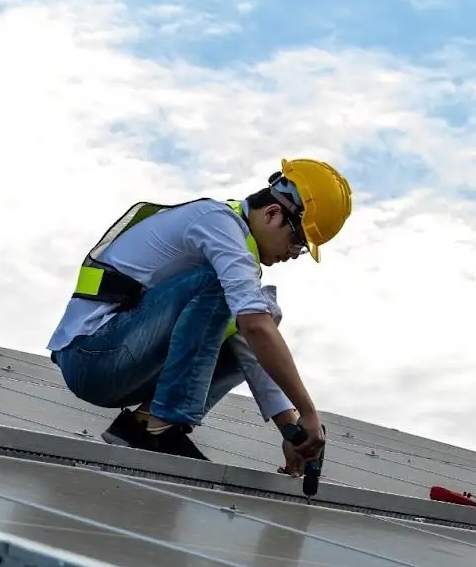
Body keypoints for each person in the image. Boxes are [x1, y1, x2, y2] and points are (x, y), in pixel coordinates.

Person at [46, 159, 351, 470]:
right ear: (273, 213)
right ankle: (162, 428)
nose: (293, 254)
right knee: (240, 302)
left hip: (119, 362)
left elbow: (252, 346)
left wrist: (294, 430)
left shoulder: (234, 245)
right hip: (91, 355)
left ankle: (145, 423)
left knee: (259, 312)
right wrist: (309, 411)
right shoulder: (217, 224)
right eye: (298, 241)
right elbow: (255, 327)